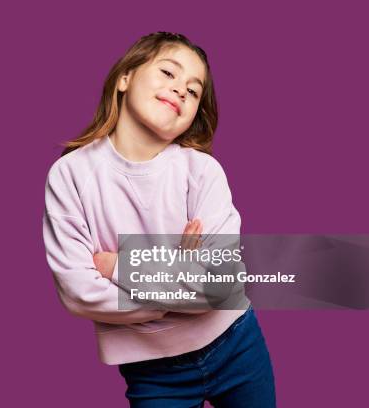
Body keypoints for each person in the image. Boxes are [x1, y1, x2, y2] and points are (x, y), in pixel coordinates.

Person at [42, 32, 275, 407]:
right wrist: (180, 275)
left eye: (194, 90)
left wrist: (122, 265)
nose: (181, 90)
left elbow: (221, 287)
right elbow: (78, 294)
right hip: (151, 371)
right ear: (125, 78)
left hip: (237, 343)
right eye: (168, 72)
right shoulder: (69, 176)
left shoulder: (202, 172)